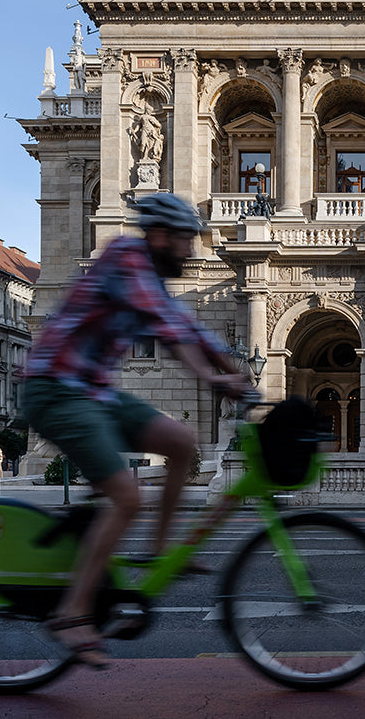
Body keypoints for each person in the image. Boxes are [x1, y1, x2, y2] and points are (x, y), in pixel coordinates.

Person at [21, 193, 249, 668]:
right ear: (160, 236)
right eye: (185, 240)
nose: (191, 251)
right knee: (127, 497)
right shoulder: (126, 257)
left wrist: (235, 372)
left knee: (181, 443)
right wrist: (212, 376)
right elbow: (172, 327)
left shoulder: (152, 278)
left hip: (94, 393)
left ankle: (160, 550)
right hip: (55, 389)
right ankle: (72, 613)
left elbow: (187, 327)